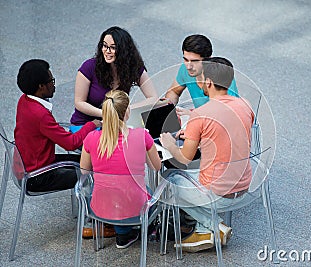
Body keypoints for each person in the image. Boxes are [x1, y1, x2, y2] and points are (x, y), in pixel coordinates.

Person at [160, 57, 254, 252]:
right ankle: (204, 230)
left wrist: (170, 143)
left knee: (170, 181)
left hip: (218, 193)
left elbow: (184, 158)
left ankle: (214, 225)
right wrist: (199, 131)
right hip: (244, 187)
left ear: (209, 82)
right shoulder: (246, 105)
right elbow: (228, 129)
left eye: (200, 78)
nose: (198, 82)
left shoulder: (201, 114)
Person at [80, 89, 161, 249]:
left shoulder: (91, 138)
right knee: (149, 192)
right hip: (136, 208)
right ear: (127, 112)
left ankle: (122, 234)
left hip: (99, 207)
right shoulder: (142, 136)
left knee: (116, 191)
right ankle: (143, 230)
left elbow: (84, 171)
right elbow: (156, 166)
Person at [14, 59, 101, 192]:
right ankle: (94, 210)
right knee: (97, 168)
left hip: (29, 165)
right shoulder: (40, 115)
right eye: (51, 82)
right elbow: (70, 144)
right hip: (37, 176)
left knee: (89, 160)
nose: (54, 86)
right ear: (40, 86)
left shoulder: (24, 100)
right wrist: (93, 124)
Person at [70, 26, 158, 128]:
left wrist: (125, 110)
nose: (107, 51)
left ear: (124, 50)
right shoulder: (89, 67)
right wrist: (106, 113)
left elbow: (153, 98)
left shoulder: (134, 67)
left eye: (113, 47)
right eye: (104, 46)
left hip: (115, 125)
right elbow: (79, 102)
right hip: (86, 125)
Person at [165, 34, 239, 113]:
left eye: (195, 61)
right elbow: (174, 92)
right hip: (199, 118)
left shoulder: (221, 74)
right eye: (186, 60)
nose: (189, 66)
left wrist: (194, 116)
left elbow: (228, 111)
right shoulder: (185, 69)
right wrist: (169, 108)